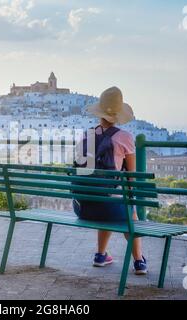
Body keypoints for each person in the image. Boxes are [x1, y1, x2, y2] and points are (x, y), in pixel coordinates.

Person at [73, 86, 147, 275]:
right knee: (129, 212)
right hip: (109, 206)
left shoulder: (85, 135)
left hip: (83, 206)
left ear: (99, 112)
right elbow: (132, 176)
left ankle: (100, 255)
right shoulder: (125, 138)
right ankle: (139, 262)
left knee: (106, 197)